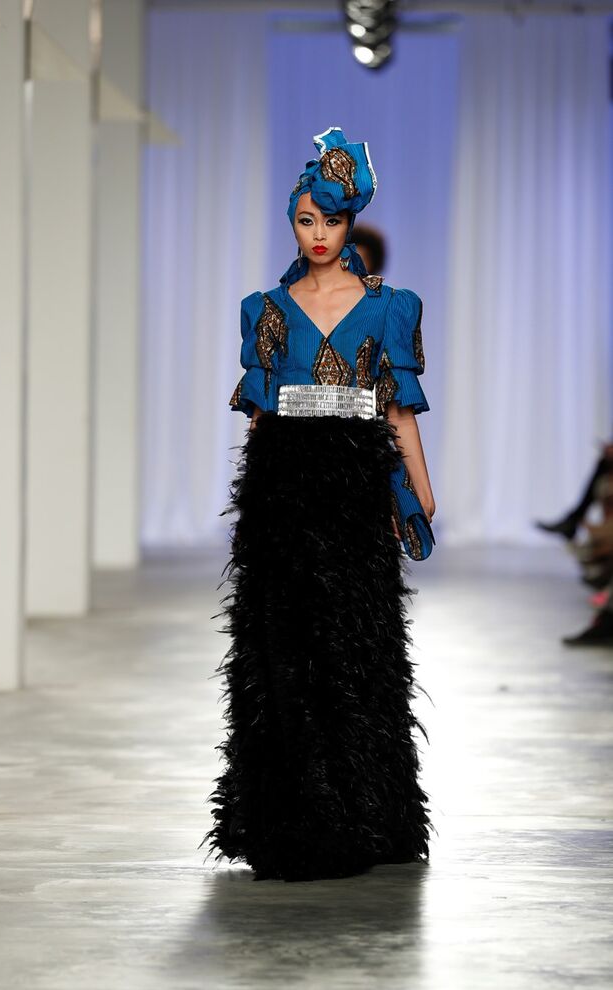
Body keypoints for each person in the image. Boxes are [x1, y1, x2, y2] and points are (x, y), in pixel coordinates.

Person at [201, 126, 437, 882]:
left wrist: (419, 491)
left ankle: (371, 808)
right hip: (284, 479)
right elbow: (260, 416)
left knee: (359, 640)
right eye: (306, 220)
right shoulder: (266, 309)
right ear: (293, 223)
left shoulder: (389, 307)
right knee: (283, 644)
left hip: (356, 477)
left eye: (331, 220)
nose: (319, 234)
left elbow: (398, 409)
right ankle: (295, 814)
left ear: (349, 222)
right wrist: (251, 505)